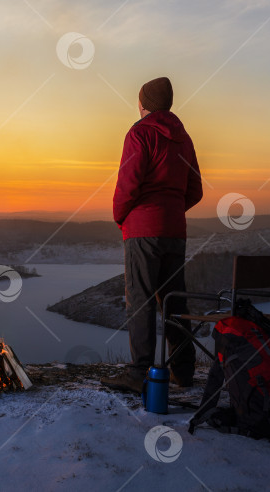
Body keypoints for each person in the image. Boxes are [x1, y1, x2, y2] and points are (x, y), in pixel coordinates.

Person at [101, 77, 204, 393]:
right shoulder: (183, 139)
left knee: (141, 300)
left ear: (144, 102)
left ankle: (138, 372)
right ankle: (183, 371)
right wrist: (172, 210)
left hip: (143, 229)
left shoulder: (140, 133)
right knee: (174, 300)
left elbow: (128, 184)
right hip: (175, 231)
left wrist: (122, 216)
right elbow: (195, 190)